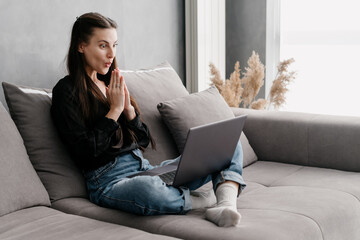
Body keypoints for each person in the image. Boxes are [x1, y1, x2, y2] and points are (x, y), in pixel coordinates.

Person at [51, 12, 246, 227]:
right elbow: (85, 152)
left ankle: (226, 205)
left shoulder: (112, 83)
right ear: (81, 46)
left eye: (114, 45)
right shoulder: (65, 91)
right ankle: (206, 200)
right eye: (103, 45)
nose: (111, 54)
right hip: (109, 181)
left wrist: (128, 112)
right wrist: (114, 111)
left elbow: (142, 141)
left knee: (228, 142)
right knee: (148, 190)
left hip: (144, 169)